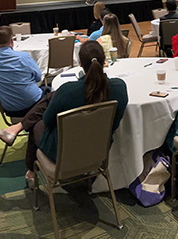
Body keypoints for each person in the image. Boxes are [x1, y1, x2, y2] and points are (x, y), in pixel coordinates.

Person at [27, 41, 128, 185]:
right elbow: (116, 123)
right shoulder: (120, 88)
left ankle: (31, 173)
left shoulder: (67, 90)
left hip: (64, 154)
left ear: (80, 63)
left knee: (37, 126)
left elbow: (48, 121)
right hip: (100, 151)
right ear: (104, 60)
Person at [0, 26, 44, 119]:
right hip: (33, 104)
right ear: (12, 41)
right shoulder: (23, 57)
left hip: (10, 109)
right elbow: (38, 77)